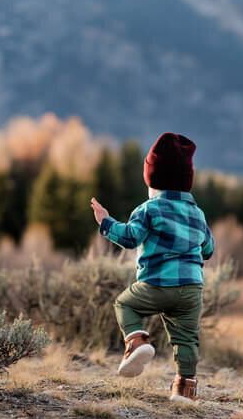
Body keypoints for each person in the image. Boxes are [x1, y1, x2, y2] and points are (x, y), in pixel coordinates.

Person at [90, 132, 214, 403]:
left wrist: (106, 222)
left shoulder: (149, 209)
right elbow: (208, 249)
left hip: (156, 283)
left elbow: (130, 238)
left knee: (125, 304)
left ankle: (136, 342)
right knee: (186, 339)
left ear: (153, 180)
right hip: (192, 289)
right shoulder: (198, 214)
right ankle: (185, 388)